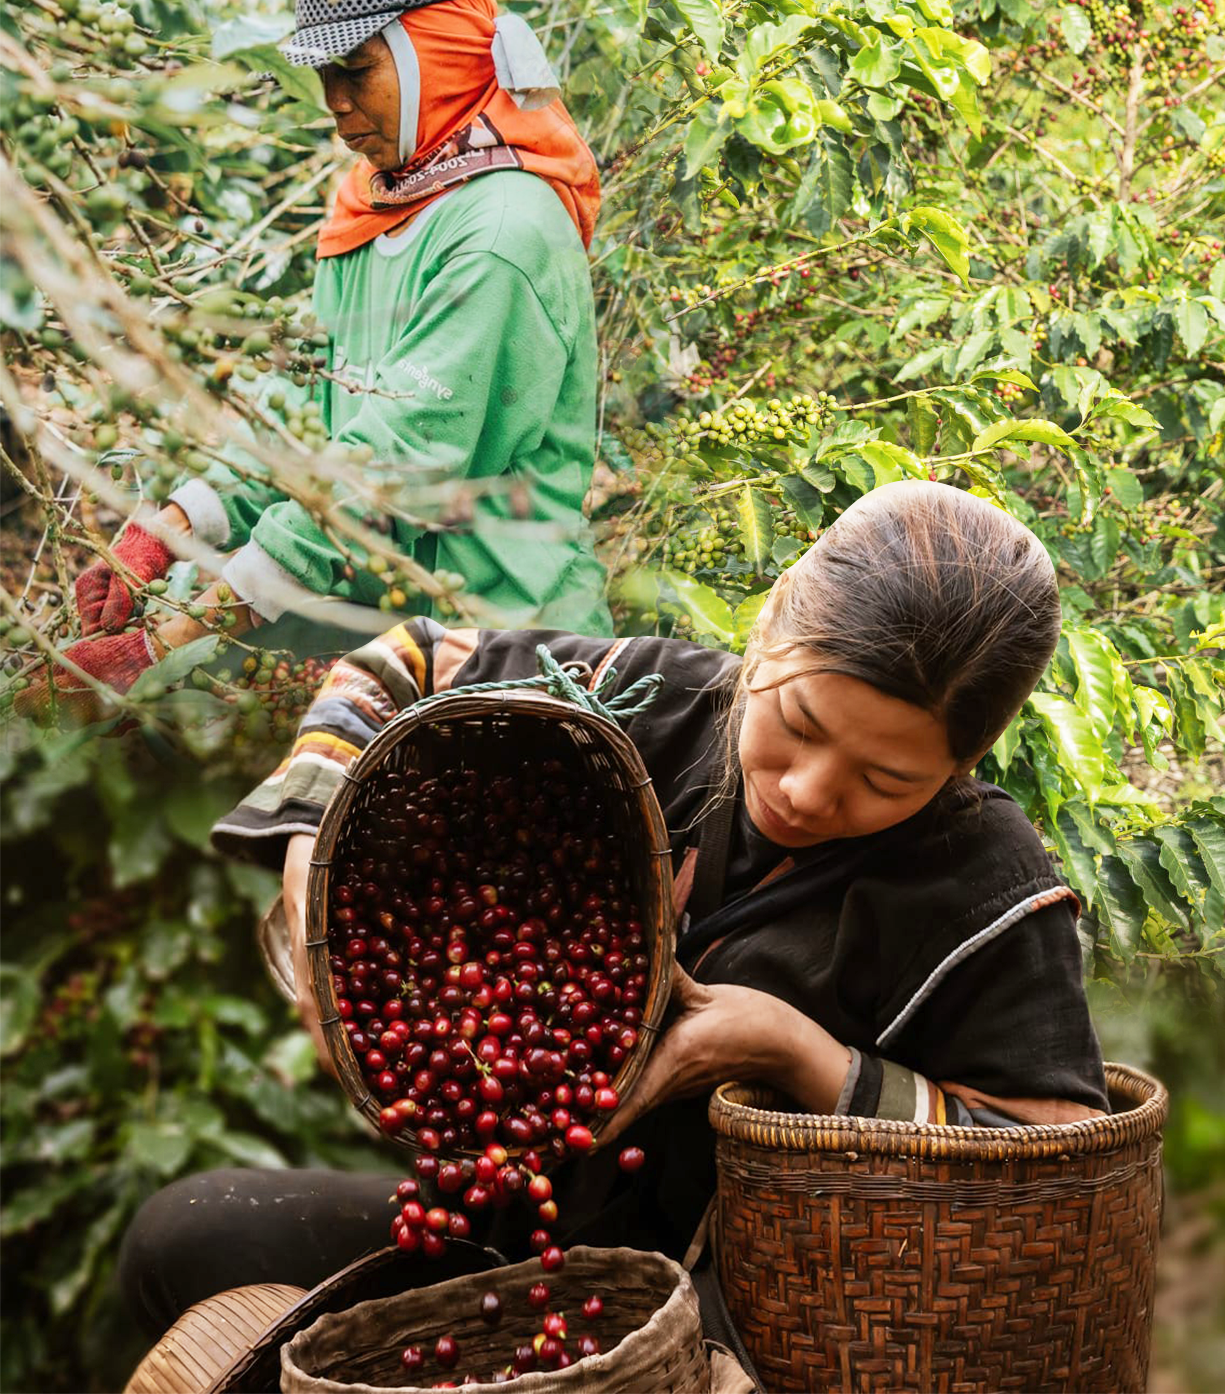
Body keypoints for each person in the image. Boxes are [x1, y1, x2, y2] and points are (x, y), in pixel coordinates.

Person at [117, 480, 1108, 1334]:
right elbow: (405, 664)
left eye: (887, 778)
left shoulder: (990, 893)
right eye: (796, 723)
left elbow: (1054, 1166)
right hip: (518, 1229)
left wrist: (800, 1056)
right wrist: (310, 837)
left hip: (753, 1311)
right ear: (767, 633)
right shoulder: (646, 697)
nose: (808, 789)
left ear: (962, 764)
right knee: (183, 1237)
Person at [21, 0, 610, 720]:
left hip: (504, 653)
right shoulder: (373, 204)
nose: (334, 103)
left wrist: (159, 644)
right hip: (385, 646)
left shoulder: (502, 230)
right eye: (323, 75)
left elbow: (391, 467)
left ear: (434, 56)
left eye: (356, 70)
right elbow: (313, 404)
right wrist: (163, 531)